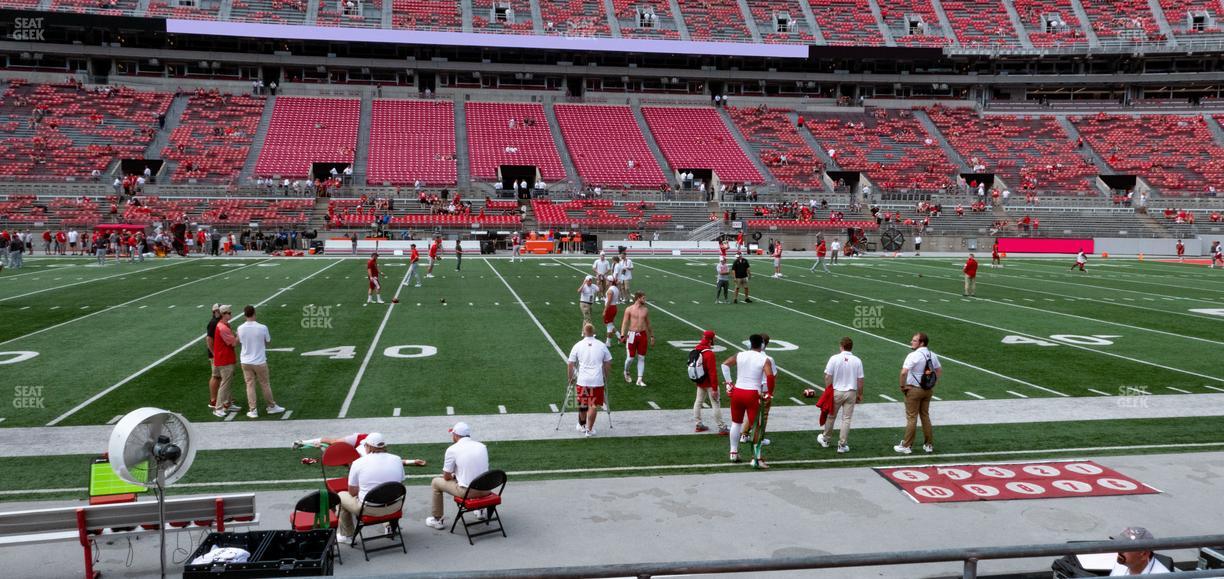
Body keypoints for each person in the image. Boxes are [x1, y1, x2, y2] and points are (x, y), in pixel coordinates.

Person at [337, 433, 404, 543]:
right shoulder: (397, 459)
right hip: (395, 507)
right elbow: (399, 484)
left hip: (369, 509)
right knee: (386, 493)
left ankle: (347, 535)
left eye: (365, 446)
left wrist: (365, 490)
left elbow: (352, 492)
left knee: (340, 496)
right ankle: (389, 525)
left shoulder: (358, 463)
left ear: (369, 447)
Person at [426, 422, 491, 530]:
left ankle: (437, 520)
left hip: (468, 492)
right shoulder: (482, 446)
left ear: (456, 435)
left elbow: (446, 477)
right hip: (486, 490)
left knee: (435, 482)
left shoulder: (452, 449)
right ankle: (480, 510)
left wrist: (453, 477)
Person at [720, 334, 773, 463]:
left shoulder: (740, 355)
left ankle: (733, 452)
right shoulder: (764, 359)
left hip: (738, 392)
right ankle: (756, 457)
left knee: (736, 423)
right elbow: (770, 377)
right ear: (762, 345)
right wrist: (769, 393)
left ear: (750, 344)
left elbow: (725, 365)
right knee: (756, 426)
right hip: (753, 393)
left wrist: (729, 383)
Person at [894, 332, 941, 454]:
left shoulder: (913, 355)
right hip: (927, 390)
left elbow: (904, 372)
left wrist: (902, 386)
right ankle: (929, 445)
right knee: (925, 416)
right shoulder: (932, 354)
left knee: (911, 417)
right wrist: (933, 383)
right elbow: (938, 370)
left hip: (914, 389)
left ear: (922, 343)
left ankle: (907, 445)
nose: (911, 342)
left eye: (914, 340)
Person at [236, 305, 286, 419]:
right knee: (265, 384)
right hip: (259, 361)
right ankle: (271, 406)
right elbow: (268, 342)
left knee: (250, 385)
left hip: (245, 361)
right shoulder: (262, 327)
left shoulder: (240, 328)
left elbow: (238, 342)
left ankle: (253, 410)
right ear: (254, 313)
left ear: (244, 315)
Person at [816, 337, 864, 454]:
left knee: (831, 416)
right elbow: (860, 380)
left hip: (837, 391)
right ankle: (842, 445)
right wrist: (860, 394)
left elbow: (828, 376)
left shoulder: (834, 358)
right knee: (846, 419)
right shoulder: (857, 360)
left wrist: (829, 389)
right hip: (851, 392)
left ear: (841, 346)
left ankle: (826, 439)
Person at [567, 323, 612, 437]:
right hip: (597, 380)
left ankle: (582, 425)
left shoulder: (578, 345)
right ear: (594, 332)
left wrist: (570, 378)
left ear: (583, 332)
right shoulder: (601, 345)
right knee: (593, 405)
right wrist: (605, 376)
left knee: (583, 403)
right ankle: (589, 429)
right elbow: (608, 362)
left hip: (583, 380)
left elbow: (570, 363)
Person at [691, 330, 727, 434]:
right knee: (715, 404)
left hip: (700, 380)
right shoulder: (709, 353)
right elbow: (713, 373)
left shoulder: (696, 349)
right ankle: (722, 427)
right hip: (709, 383)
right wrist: (714, 389)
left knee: (698, 402)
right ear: (711, 339)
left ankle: (698, 424)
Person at [619, 291, 654, 387]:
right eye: (643, 298)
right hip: (631, 334)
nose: (645, 300)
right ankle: (626, 371)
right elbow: (625, 322)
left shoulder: (645, 310)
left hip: (642, 335)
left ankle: (639, 379)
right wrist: (622, 335)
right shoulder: (629, 309)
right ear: (638, 298)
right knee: (630, 358)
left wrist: (651, 336)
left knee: (642, 357)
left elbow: (648, 324)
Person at [211, 305, 241, 418]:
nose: (231, 314)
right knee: (224, 384)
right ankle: (218, 408)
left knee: (227, 383)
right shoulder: (222, 327)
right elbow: (233, 343)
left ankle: (228, 404)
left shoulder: (225, 325)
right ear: (223, 314)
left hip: (226, 359)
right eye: (228, 312)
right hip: (225, 360)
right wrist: (239, 334)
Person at [602, 274, 621, 347]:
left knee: (609, 326)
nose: (606, 281)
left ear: (610, 282)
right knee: (610, 324)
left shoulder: (610, 290)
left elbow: (609, 301)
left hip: (610, 308)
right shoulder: (615, 288)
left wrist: (605, 310)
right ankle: (619, 336)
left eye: (607, 280)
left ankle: (608, 343)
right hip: (614, 307)